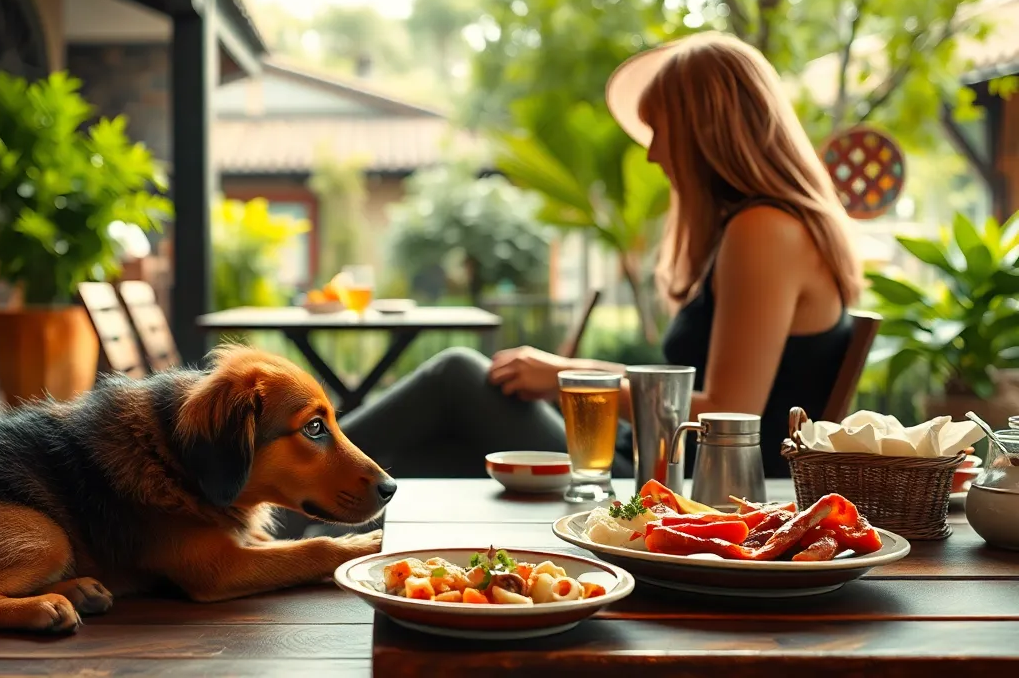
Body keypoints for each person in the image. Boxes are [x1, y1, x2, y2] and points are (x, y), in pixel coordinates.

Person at [339, 32, 861, 479]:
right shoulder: (768, 227)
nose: (653, 153)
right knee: (436, 451)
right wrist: (568, 372)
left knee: (455, 376)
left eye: (661, 132)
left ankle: (262, 502)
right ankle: (294, 539)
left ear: (705, 132)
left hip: (689, 492)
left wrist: (569, 379)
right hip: (655, 468)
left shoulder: (765, 230)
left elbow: (727, 413)